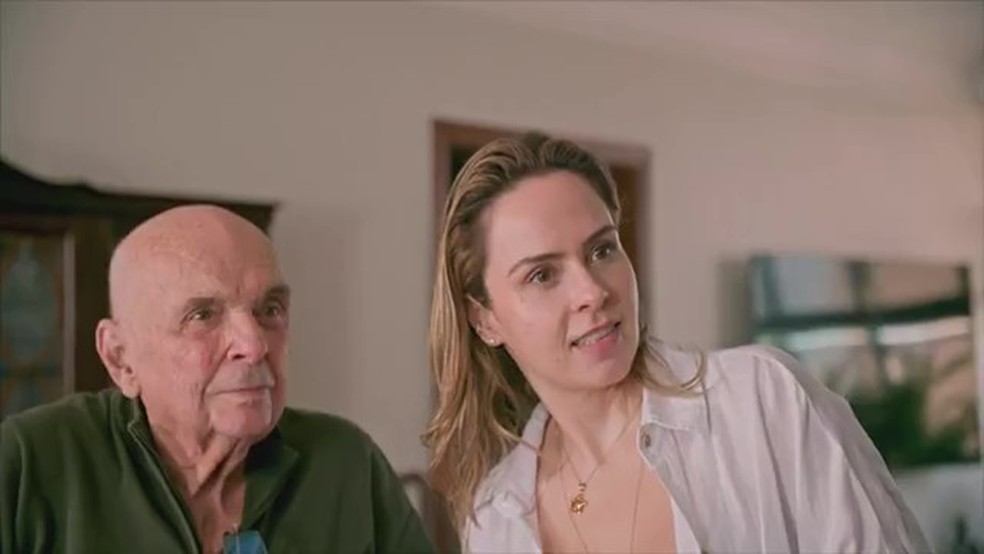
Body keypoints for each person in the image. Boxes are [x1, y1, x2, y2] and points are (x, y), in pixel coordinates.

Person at [423, 132, 930, 553]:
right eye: (541, 275)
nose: (592, 292)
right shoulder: (497, 519)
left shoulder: (763, 403)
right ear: (484, 319)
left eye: (602, 250)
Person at [1, 205, 435, 554]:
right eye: (202, 315)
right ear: (120, 359)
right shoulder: (27, 464)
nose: (255, 344)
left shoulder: (345, 462)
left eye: (270, 309)